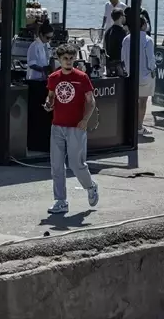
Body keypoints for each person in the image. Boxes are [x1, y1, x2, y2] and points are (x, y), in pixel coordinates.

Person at [45, 44, 99, 215]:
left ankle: (90, 186)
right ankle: (60, 200)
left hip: (76, 127)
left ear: (75, 58)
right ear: (59, 60)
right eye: (65, 59)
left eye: (71, 58)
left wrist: (85, 120)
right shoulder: (53, 77)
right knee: (56, 165)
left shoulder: (82, 78)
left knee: (76, 164)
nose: (68, 62)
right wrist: (48, 104)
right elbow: (51, 96)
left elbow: (91, 101)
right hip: (57, 126)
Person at [121, 9, 156, 135]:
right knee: (142, 102)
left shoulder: (126, 39)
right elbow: (150, 59)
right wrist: (153, 70)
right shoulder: (148, 40)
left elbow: (123, 58)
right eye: (145, 23)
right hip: (145, 75)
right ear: (142, 25)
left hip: (130, 74)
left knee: (133, 101)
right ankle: (139, 126)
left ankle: (131, 125)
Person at [102, 9, 127, 77]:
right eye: (124, 15)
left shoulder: (108, 31)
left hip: (109, 66)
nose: (125, 17)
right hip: (119, 65)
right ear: (121, 17)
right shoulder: (122, 32)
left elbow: (104, 47)